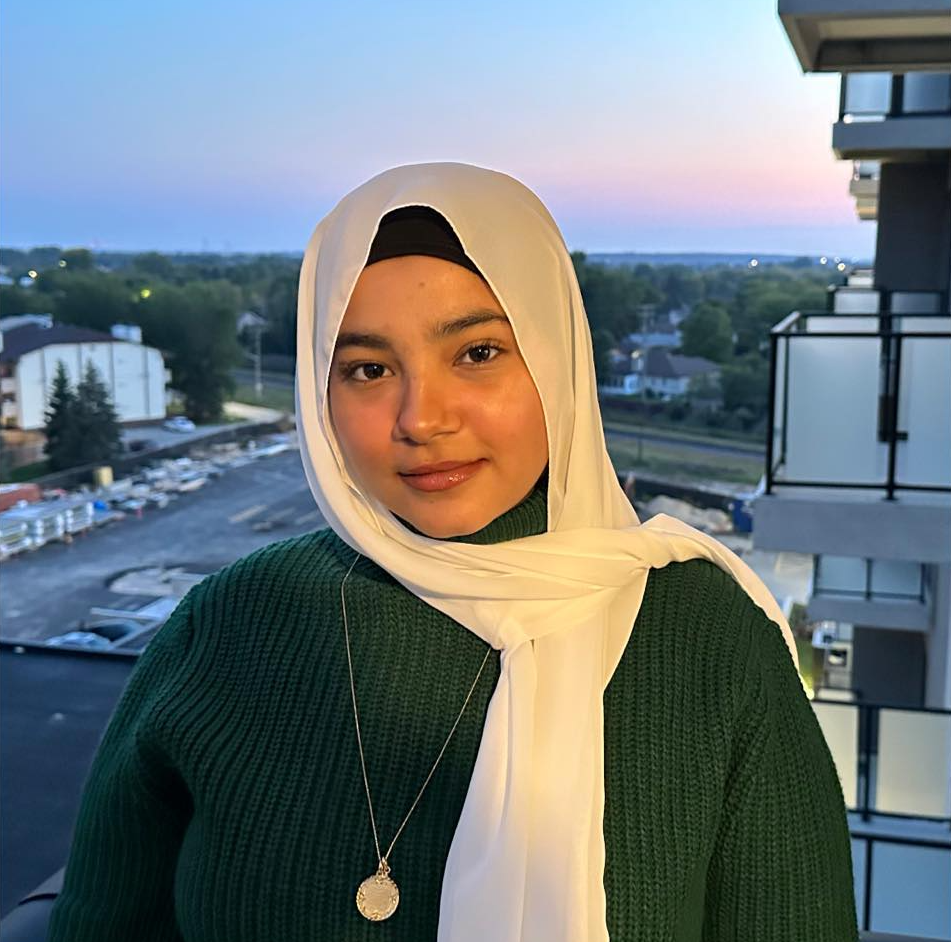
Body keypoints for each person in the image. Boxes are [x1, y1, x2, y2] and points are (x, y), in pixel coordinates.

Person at [47, 161, 859, 941]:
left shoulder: (706, 634)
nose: (421, 417)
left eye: (476, 353)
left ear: (558, 363)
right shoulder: (229, 624)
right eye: (367, 368)